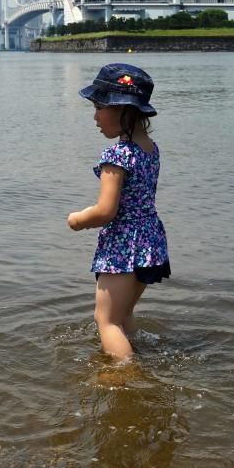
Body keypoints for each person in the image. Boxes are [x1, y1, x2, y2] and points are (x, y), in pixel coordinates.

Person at [67, 64, 171, 362]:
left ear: (123, 110)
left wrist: (78, 219)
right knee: (123, 315)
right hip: (150, 242)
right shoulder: (150, 148)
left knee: (106, 321)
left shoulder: (117, 155)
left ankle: (127, 376)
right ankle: (135, 354)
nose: (95, 117)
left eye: (100, 107)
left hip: (123, 248)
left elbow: (105, 211)